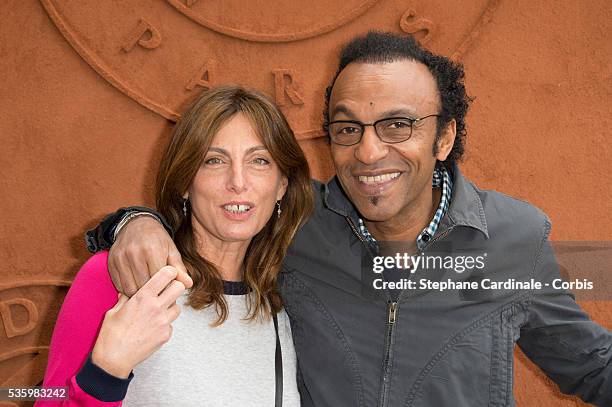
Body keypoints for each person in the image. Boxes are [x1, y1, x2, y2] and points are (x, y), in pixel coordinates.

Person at [85, 32, 612, 406]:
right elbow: (219, 202)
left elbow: (591, 366)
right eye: (347, 129)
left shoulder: (511, 240)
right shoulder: (298, 224)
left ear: (444, 138)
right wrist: (133, 223)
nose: (368, 152)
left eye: (397, 125)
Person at [39, 85, 314, 406]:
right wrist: (106, 372)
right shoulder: (122, 277)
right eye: (214, 160)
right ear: (185, 182)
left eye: (259, 161)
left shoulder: (284, 305)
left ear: (282, 185)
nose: (238, 181)